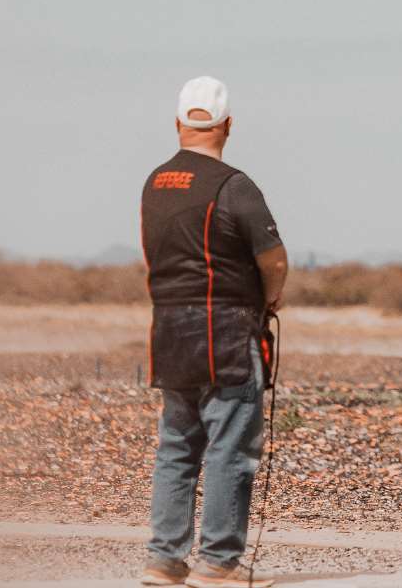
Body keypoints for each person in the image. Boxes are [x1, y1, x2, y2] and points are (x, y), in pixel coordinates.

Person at [139, 77, 288, 588]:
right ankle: (219, 563)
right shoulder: (234, 185)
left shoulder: (153, 183)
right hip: (225, 335)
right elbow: (274, 258)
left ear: (179, 122)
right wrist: (270, 297)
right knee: (230, 448)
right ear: (228, 125)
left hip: (169, 334)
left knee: (177, 445)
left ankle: (163, 560)